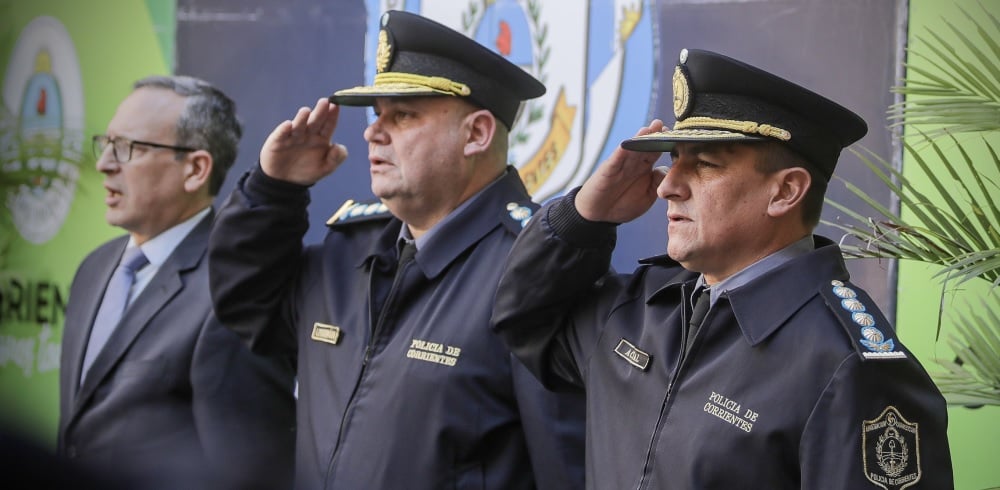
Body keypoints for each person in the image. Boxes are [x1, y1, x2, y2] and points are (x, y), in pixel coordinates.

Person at [491, 48, 954, 489]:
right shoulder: (639, 308)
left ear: (786, 191)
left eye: (705, 164)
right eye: (674, 161)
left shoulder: (850, 367)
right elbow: (521, 320)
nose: (668, 186)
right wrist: (582, 219)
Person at [207, 10, 585, 490]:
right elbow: (247, 306)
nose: (373, 132)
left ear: (477, 134)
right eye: (377, 114)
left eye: (403, 114)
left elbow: (568, 466)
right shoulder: (350, 252)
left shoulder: (535, 269)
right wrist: (273, 192)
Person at [58, 75, 297, 489]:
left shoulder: (234, 292)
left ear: (195, 169)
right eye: (107, 142)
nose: (104, 164)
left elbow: (250, 472)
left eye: (128, 148)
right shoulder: (93, 270)